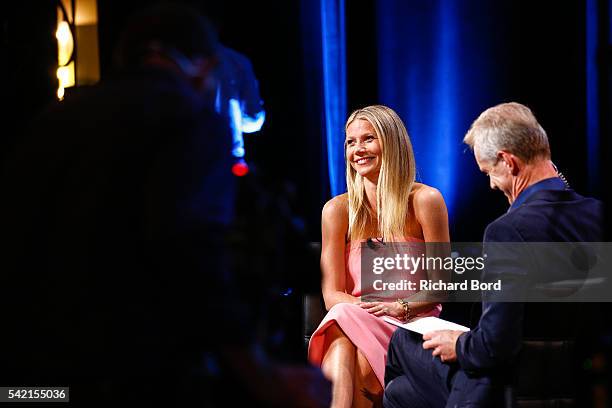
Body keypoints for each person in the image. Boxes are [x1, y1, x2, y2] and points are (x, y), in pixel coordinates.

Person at [0, 4, 329, 406]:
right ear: (205, 67)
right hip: (133, 368)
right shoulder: (192, 120)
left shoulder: (54, 118)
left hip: (33, 374)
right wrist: (260, 375)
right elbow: (189, 253)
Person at [383, 102, 603, 407]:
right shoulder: (597, 214)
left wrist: (457, 343)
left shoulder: (508, 230)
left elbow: (495, 346)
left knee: (402, 342)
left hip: (507, 386)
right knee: (401, 392)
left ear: (508, 162)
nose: (491, 184)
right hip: (580, 383)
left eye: (489, 172)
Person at [308, 105, 450, 407]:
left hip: (411, 324)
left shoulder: (426, 200)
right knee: (344, 328)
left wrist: (398, 307)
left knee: (344, 331)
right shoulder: (337, 211)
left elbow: (442, 286)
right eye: (351, 142)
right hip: (355, 316)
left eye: (368, 139)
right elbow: (333, 294)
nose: (358, 149)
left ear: (392, 143)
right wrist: (375, 309)